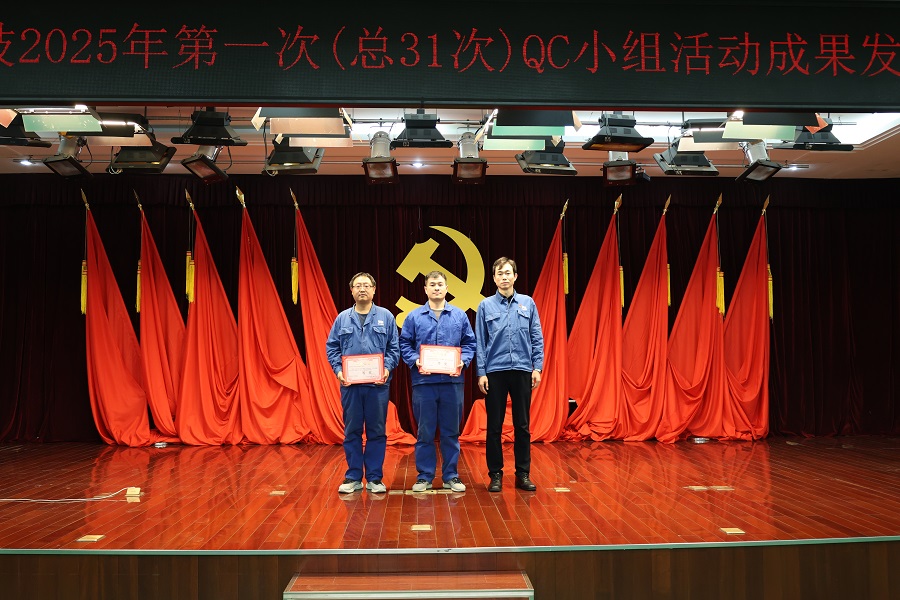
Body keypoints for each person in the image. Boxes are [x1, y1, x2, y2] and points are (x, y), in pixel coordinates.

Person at [399, 270, 477, 494]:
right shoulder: (414, 317)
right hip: (424, 383)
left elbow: (470, 343)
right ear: (425, 289)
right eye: (432, 284)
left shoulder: (459, 316)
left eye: (440, 284)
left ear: (446, 288)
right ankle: (424, 476)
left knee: (451, 432)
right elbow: (404, 344)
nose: (436, 288)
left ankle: (451, 475)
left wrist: (463, 361)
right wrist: (416, 360)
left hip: (452, 383)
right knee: (424, 432)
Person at [326, 272, 399, 495]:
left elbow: (394, 348)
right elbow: (332, 348)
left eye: (367, 285)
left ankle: (375, 478)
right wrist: (338, 371)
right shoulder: (342, 318)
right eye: (358, 286)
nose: (362, 289)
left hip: (377, 386)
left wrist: (387, 368)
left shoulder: (386, 316)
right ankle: (353, 476)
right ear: (351, 291)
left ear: (374, 290)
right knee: (352, 431)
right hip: (351, 386)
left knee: (377, 431)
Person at [475, 257, 544, 492]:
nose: (504, 277)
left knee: (522, 425)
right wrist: (481, 372)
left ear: (515, 276)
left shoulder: (528, 303)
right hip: (495, 371)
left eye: (507, 273)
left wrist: (537, 367)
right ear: (494, 278)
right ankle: (495, 474)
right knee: (494, 426)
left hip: (523, 369)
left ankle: (523, 473)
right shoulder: (485, 306)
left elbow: (536, 337)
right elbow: (481, 342)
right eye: (499, 273)